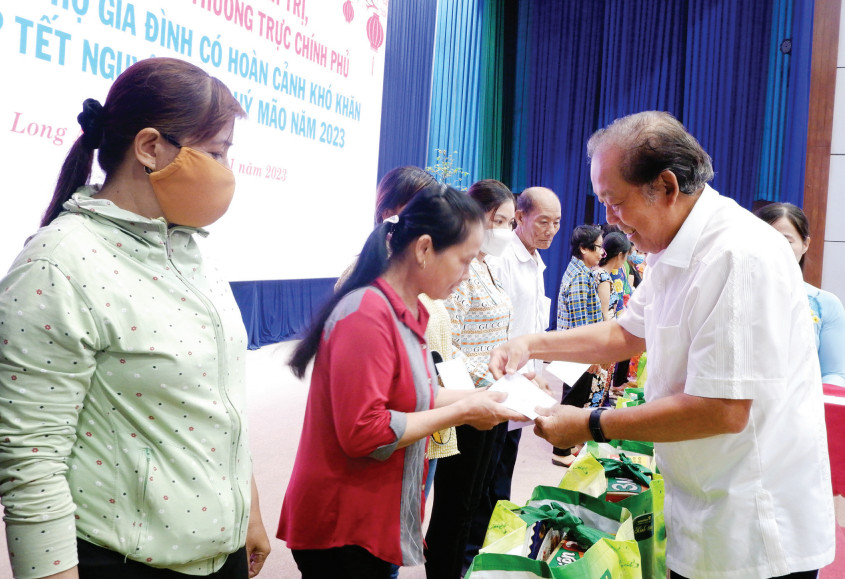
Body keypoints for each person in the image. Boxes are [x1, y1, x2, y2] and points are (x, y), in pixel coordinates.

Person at [490, 111, 834, 579]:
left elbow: (722, 408)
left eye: (615, 203)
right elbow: (625, 334)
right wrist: (531, 343)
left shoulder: (737, 254)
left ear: (667, 187)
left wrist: (590, 424)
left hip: (752, 525)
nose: (609, 221)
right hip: (702, 504)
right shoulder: (671, 248)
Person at [0, 57, 271, 579]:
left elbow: (217, 402)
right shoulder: (58, 265)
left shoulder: (190, 248)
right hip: (128, 560)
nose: (227, 172)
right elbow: (30, 462)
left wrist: (247, 507)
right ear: (149, 148)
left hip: (219, 555)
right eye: (216, 152)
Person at [278, 184, 524, 579]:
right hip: (341, 524)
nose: (466, 275)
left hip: (376, 513)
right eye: (463, 261)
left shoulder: (409, 310)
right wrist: (463, 411)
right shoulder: (367, 313)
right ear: (424, 248)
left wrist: (493, 395)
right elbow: (365, 431)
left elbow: (420, 392)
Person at [424, 180, 516, 579]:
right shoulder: (459, 270)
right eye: (499, 221)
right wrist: (493, 369)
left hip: (493, 396)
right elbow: (448, 349)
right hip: (465, 400)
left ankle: (466, 566)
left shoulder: (488, 266)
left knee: (480, 498)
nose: (505, 231)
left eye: (510, 223)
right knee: (456, 505)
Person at [468, 187, 561, 558]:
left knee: (504, 467)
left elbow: (532, 326)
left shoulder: (536, 261)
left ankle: (495, 540)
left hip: (524, 384)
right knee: (484, 475)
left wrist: (536, 373)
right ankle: (475, 548)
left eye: (556, 223)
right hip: (500, 381)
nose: (550, 230)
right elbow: (499, 327)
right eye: (542, 221)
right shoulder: (504, 257)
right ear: (519, 219)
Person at [754, 202, 845, 387]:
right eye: (764, 239)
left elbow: (833, 374)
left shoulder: (825, 304)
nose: (775, 248)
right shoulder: (731, 294)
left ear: (805, 244)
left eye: (786, 241)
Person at [552, 224, 609, 465]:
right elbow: (580, 325)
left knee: (577, 397)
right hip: (576, 353)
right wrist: (591, 358)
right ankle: (560, 450)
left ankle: (567, 445)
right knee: (573, 400)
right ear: (583, 248)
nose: (601, 254)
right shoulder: (578, 277)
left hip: (579, 352)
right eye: (597, 248)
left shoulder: (584, 273)